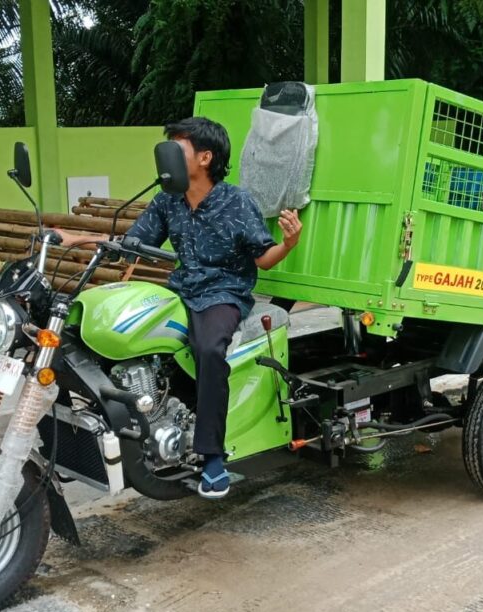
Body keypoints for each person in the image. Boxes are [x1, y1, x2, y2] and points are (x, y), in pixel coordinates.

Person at [55, 117, 303, 499]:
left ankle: (213, 457)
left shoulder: (236, 200)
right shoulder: (168, 200)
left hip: (223, 293)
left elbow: (263, 259)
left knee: (208, 349)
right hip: (182, 289)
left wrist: (288, 243)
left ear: (205, 157)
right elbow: (130, 243)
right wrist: (74, 238)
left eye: (178, 147)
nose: (167, 155)